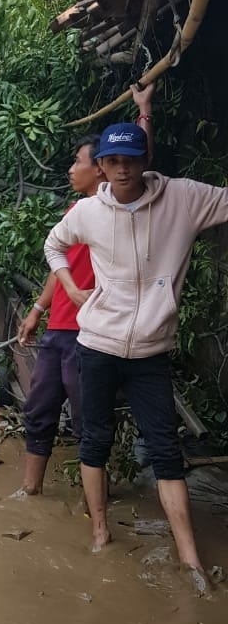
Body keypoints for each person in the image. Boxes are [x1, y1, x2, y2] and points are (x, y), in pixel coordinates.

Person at [43, 112, 228, 587]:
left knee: (166, 451)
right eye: (113, 160)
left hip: (150, 350)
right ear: (101, 167)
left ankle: (190, 560)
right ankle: (101, 532)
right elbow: (54, 246)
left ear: (146, 160)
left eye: (131, 158)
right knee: (95, 439)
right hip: (98, 345)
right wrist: (71, 287)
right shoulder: (87, 212)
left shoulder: (184, 199)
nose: (123, 168)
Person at [16, 85, 154, 495]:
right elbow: (59, 265)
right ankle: (30, 490)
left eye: (77, 163)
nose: (71, 171)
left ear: (99, 169)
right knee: (39, 409)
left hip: (90, 333)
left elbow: (144, 167)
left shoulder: (117, 212)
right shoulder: (77, 213)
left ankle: (97, 502)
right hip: (59, 328)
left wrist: (145, 112)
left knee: (87, 419)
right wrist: (37, 311)